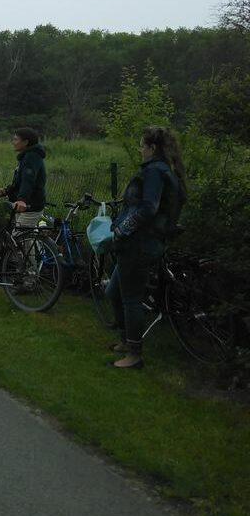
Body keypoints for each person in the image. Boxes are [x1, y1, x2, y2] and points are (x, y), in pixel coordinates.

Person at [106, 126, 187, 369]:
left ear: (152, 148)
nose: (140, 149)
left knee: (131, 298)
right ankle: (125, 339)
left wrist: (122, 229)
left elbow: (149, 207)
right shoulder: (165, 171)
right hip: (142, 241)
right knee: (113, 292)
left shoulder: (154, 172)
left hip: (139, 243)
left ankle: (134, 354)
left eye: (142, 145)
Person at [0, 127, 47, 230]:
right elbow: (19, 181)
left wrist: (22, 199)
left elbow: (28, 180)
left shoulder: (31, 156)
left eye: (16, 139)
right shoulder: (26, 156)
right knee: (27, 239)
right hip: (24, 205)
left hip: (30, 205)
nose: (13, 142)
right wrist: (6, 191)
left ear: (25, 142)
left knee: (19, 237)